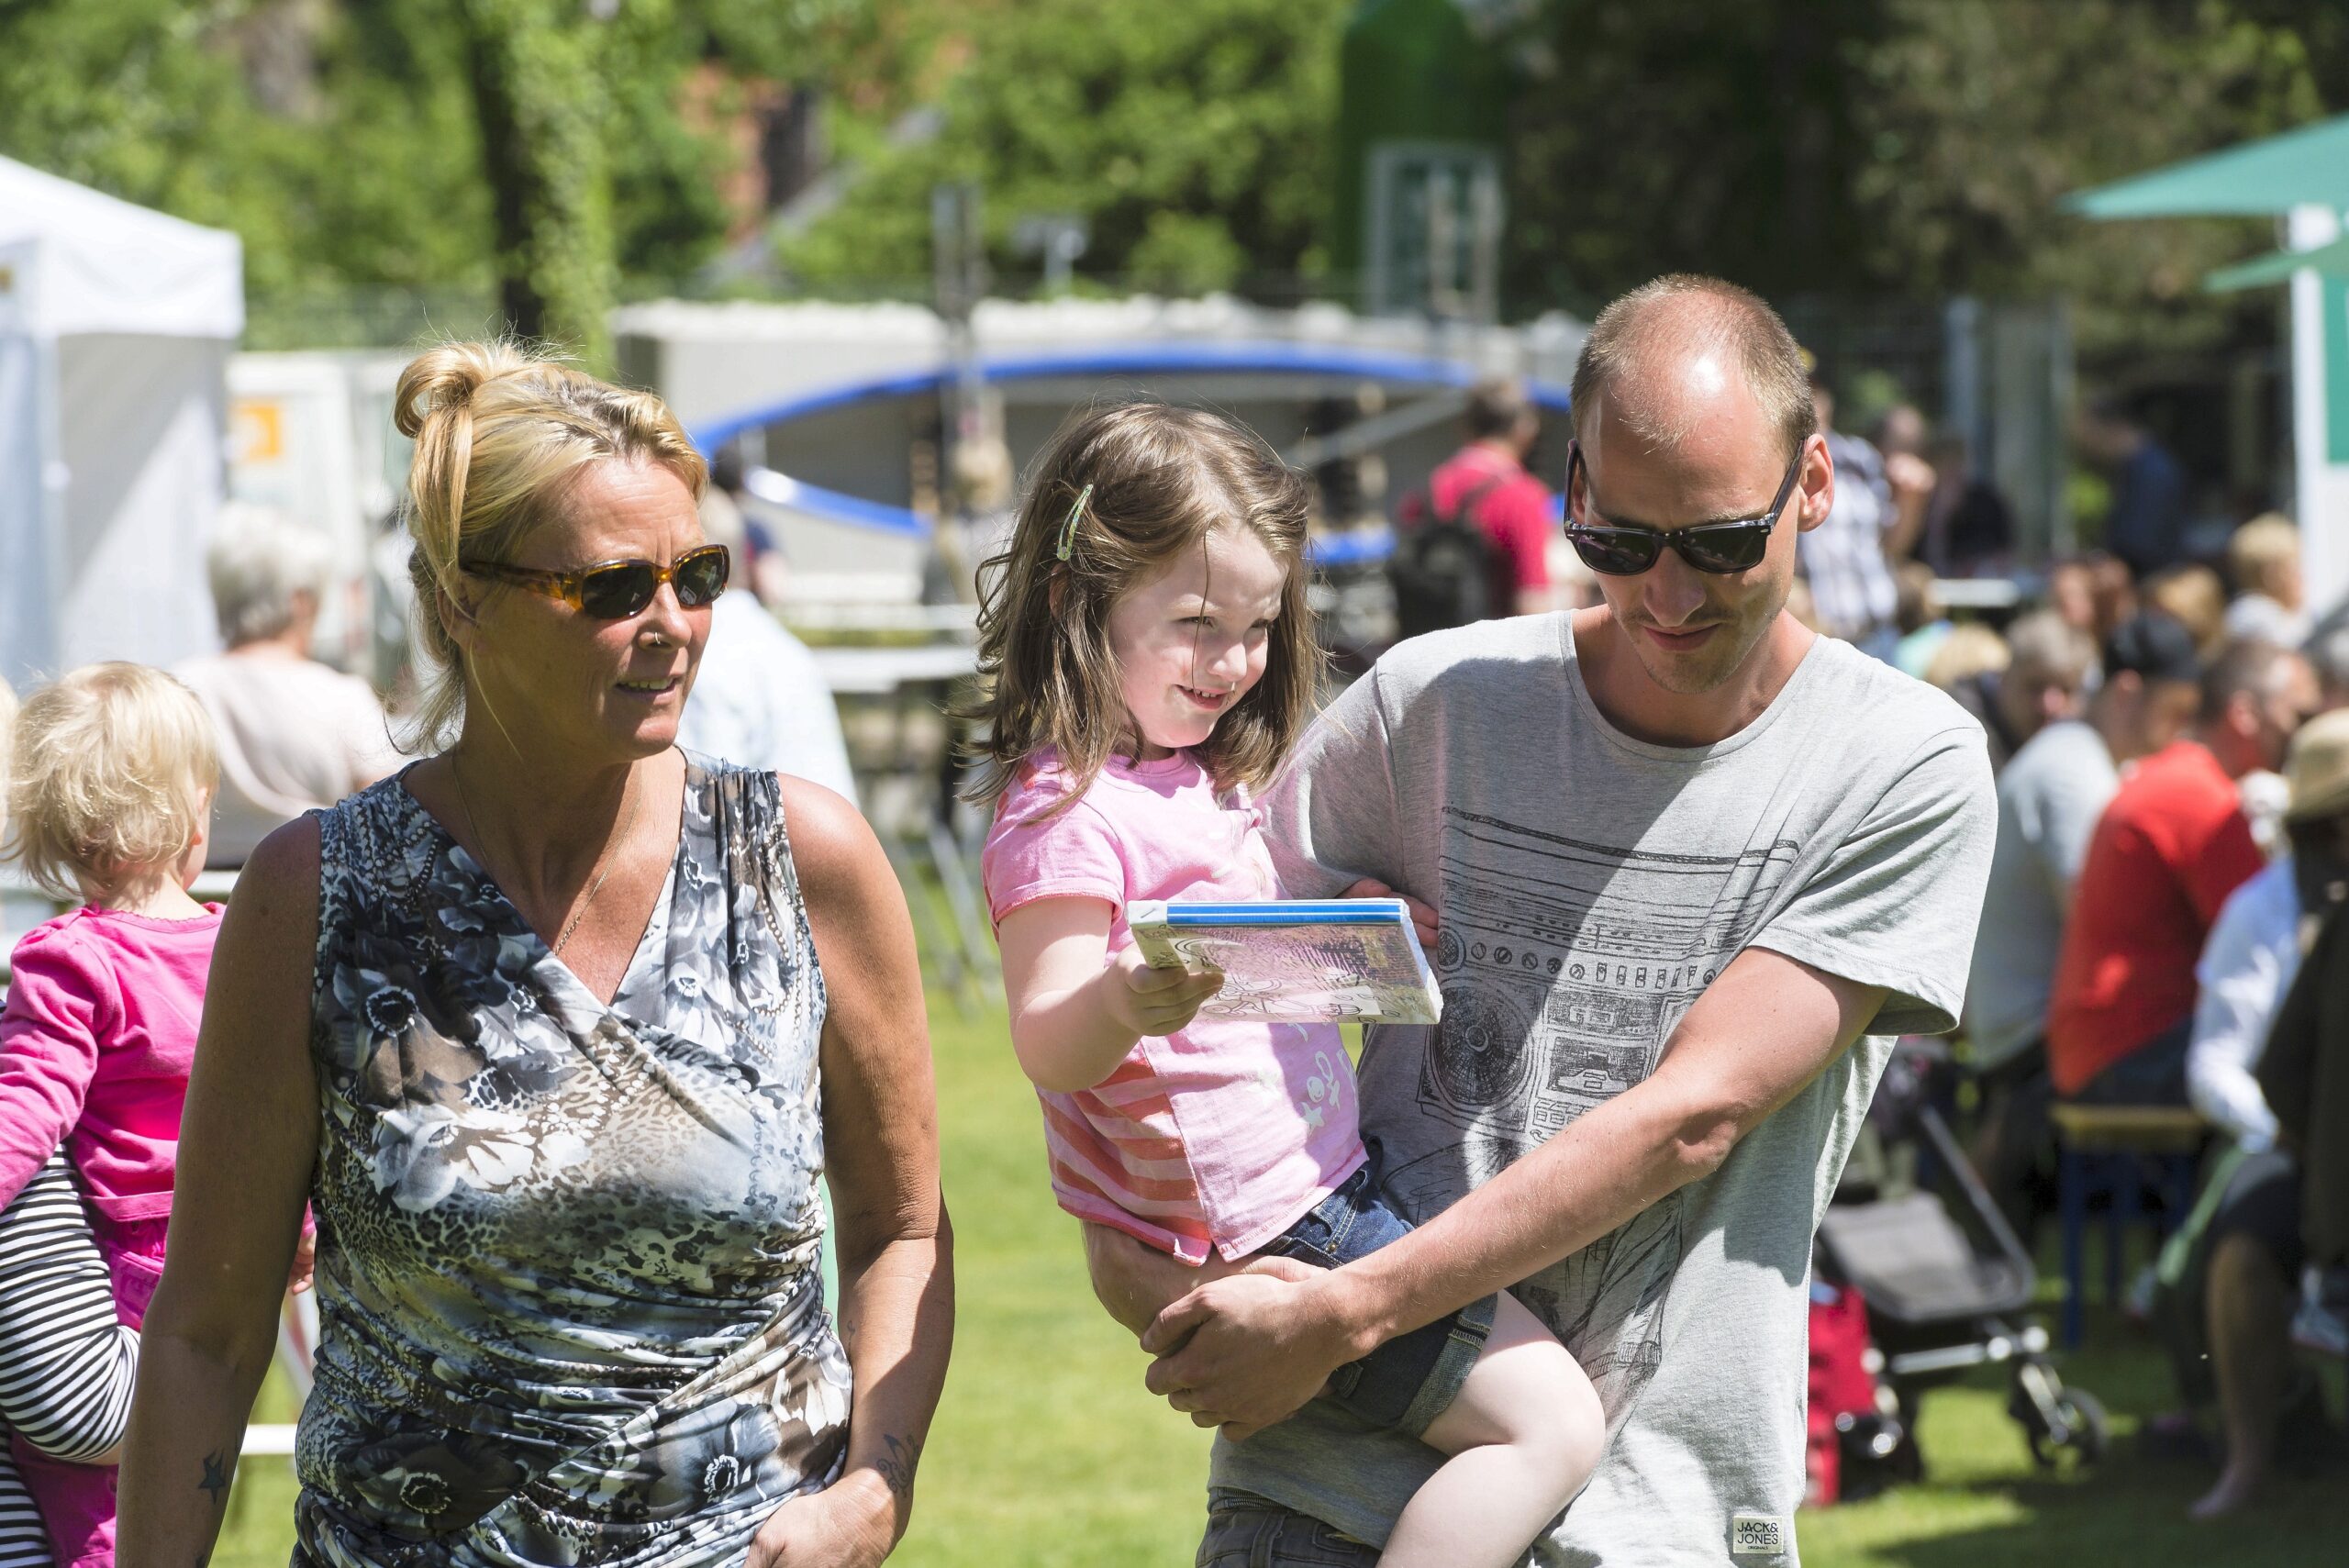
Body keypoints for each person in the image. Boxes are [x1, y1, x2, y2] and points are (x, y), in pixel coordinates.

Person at [1090, 275, 1996, 1564]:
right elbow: (1193, 983)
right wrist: (1142, 1255)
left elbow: (1698, 1115)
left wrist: (1345, 1312)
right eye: (1620, 541)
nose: (1668, 594)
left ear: (1814, 484)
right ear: (1570, 482)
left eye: (1719, 542)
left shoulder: (1902, 764)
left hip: (1658, 1516)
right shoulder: (1432, 702)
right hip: (1332, 1486)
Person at [115, 342, 952, 1568]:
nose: (672, 625)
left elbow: (903, 1228)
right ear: (464, 599)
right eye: (613, 588)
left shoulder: (802, 860)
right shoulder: (321, 894)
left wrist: (874, 1488)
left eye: (696, 576)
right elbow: (205, 1329)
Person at [970, 403, 1599, 1568]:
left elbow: (1230, 974)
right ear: (1076, 603)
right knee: (1552, 1425)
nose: (1233, 663)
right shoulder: (1061, 814)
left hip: (1302, 1203)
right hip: (1282, 1231)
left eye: (1257, 625)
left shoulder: (1177, 777)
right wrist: (1119, 994)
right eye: (1196, 625)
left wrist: (1349, 933)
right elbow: (1048, 1038)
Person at [0, 664, 223, 1568]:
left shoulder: (69, 959)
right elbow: (281, 1113)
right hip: (211, 1263)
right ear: (194, 815)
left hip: (115, 1267)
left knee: (87, 1496)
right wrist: (299, 1228)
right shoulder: (234, 949)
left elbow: (28, 1103)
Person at [1965, 612, 2200, 1224]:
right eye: (2174, 710)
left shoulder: (2078, 758)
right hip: (2032, 1043)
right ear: (2129, 692)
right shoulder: (2072, 773)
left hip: (2032, 1029)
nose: (2179, 733)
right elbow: (2107, 924)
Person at [2176, 710, 2349, 1518]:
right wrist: (2281, 1128)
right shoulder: (2260, 907)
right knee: (2243, 1246)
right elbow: (2218, 1063)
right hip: (2282, 1137)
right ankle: (2248, 1461)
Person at [2047, 639, 2318, 1106]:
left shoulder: (2180, 775)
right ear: (2244, 714)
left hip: (2097, 1050)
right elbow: (2275, 948)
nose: (2306, 735)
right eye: (2298, 718)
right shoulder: (2202, 798)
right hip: (2129, 1052)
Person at [174, 506, 400, 867]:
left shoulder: (176, 689)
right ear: (301, 601)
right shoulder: (342, 696)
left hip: (198, 896)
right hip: (315, 896)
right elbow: (388, 814)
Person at [675, 485, 860, 804]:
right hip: (828, 836)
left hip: (769, 844)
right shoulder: (783, 645)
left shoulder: (708, 660)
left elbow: (706, 802)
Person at [1796, 367, 1933, 660]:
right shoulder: (1771, 466)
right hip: (1813, 641)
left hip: (1878, 637)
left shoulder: (1860, 459)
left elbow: (1893, 548)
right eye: (1797, 391)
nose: (1808, 401)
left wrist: (1912, 502)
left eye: (1814, 391)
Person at [1410, 377, 1560, 621]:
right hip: (1492, 653)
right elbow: (1533, 604)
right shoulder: (1522, 496)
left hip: (1427, 648)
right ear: (1525, 429)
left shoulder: (1426, 489)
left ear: (1464, 427)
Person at [2079, 400, 2189, 579]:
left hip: (2153, 584)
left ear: (2111, 428)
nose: (2088, 446)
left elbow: (2139, 545)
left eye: (2091, 434)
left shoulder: (2151, 471)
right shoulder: (2138, 467)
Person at [2223, 514, 2309, 650]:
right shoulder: (2254, 616)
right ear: (2272, 575)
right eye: (2295, 569)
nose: (2302, 577)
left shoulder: (2285, 614)